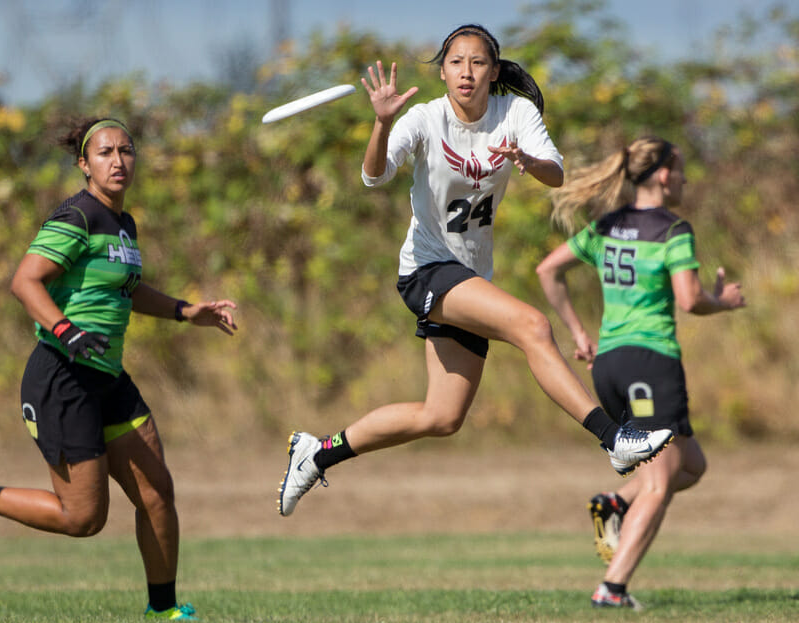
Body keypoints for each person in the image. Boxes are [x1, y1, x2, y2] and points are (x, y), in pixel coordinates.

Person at [277, 24, 673, 518]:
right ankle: (614, 438)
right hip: (426, 270)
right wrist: (380, 124)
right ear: (442, 71)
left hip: (469, 275)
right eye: (456, 62)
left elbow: (555, 172)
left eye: (478, 62)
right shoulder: (424, 118)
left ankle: (317, 453)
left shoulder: (516, 113)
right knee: (533, 325)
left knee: (441, 417)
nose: (467, 71)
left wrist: (525, 158)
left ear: (493, 70)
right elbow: (373, 176)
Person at [6, 117, 238, 620]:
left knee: (157, 493)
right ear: (84, 164)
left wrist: (185, 311)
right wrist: (67, 331)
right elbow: (25, 282)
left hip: (107, 375)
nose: (117, 160)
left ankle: (164, 610)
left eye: (125, 151)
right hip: (62, 378)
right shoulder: (77, 217)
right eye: (105, 152)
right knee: (82, 518)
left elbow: (127, 291)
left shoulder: (123, 223)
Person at [536, 135, 745, 609]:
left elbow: (548, 270)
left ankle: (615, 503)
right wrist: (726, 302)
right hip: (650, 361)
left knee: (690, 466)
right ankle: (612, 588)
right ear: (666, 175)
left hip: (609, 362)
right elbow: (690, 300)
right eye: (684, 169)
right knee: (658, 483)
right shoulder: (673, 230)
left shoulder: (609, 225)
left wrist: (579, 332)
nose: (688, 178)